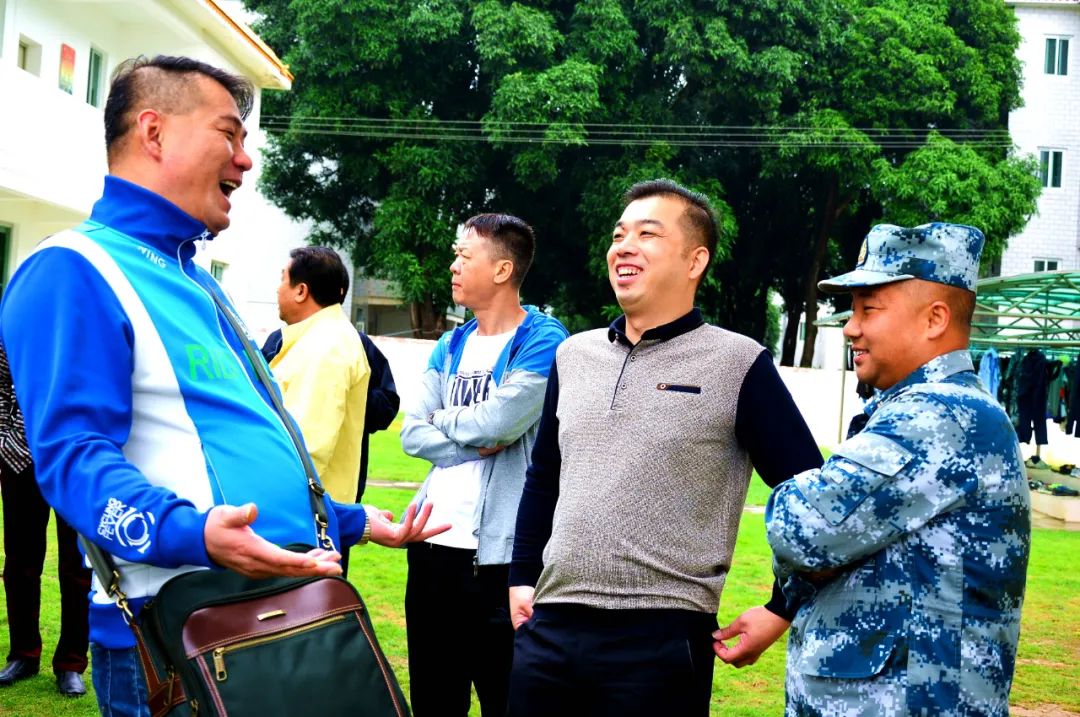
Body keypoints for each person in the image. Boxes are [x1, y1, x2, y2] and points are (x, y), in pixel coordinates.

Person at [0, 55, 445, 717]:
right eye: (229, 135)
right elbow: (72, 460)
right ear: (154, 133)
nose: (246, 161)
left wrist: (350, 519)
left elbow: (227, 437)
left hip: (275, 610)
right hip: (179, 637)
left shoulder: (198, 281)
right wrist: (194, 532)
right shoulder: (73, 268)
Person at [507, 179, 823, 717]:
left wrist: (781, 606)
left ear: (695, 259)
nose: (623, 246)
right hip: (550, 628)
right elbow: (546, 476)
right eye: (619, 234)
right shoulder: (572, 356)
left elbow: (816, 497)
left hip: (662, 639)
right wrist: (519, 574)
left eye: (647, 234)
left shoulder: (737, 363)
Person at [766, 223, 1030, 716]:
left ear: (934, 319)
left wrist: (795, 499)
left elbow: (801, 528)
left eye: (869, 309)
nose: (850, 327)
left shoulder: (938, 416)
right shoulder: (921, 409)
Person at [400, 213, 568, 717]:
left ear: (501, 269)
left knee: (507, 698)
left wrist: (443, 419)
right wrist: (470, 442)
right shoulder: (451, 342)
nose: (452, 266)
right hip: (430, 548)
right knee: (434, 699)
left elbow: (499, 422)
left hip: (498, 559)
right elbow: (411, 431)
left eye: (463, 255)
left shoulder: (542, 339)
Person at [269, 246, 372, 575]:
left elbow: (307, 449)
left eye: (282, 279)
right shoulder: (313, 340)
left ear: (302, 291)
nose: (276, 288)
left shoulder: (327, 347)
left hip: (303, 528)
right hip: (303, 522)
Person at [0, 343, 91, 697]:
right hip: (20, 453)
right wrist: (5, 438)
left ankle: (71, 664)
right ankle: (23, 654)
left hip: (75, 455)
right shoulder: (14, 317)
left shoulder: (80, 319)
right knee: (20, 562)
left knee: (78, 566)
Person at [261, 298, 400, 504]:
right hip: (280, 478)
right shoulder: (279, 342)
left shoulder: (355, 345)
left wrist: (350, 395)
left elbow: (387, 407)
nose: (279, 291)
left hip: (338, 488)